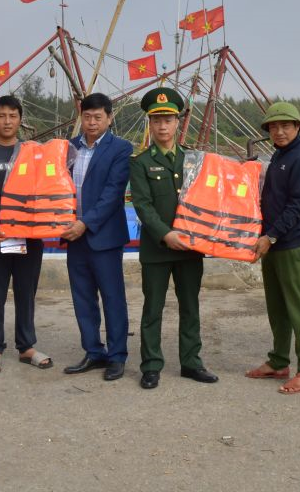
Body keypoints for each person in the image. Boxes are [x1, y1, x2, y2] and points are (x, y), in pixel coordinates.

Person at [130, 87, 218, 390]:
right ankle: (151, 365)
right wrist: (166, 234)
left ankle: (191, 363)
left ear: (178, 122)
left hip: (191, 248)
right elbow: (142, 205)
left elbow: (208, 201)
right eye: (156, 120)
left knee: (190, 306)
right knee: (152, 309)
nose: (162, 126)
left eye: (168, 120)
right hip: (157, 249)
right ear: (150, 124)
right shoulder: (140, 163)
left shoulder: (195, 161)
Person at [0, 95, 53, 374]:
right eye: (2, 116)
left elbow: (46, 192)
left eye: (13, 116)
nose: (7, 121)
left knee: (26, 293)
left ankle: (27, 347)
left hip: (29, 238)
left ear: (20, 120)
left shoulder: (33, 153)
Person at [245, 102, 300, 395]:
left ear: (298, 127)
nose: (279, 131)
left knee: (299, 309)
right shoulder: (280, 155)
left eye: (285, 126)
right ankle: (279, 361)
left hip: (292, 244)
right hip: (274, 244)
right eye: (273, 127)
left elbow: (299, 205)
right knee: (277, 308)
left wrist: (271, 236)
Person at [62, 92, 133, 382]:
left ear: (109, 117)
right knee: (82, 299)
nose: (91, 122)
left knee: (112, 298)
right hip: (72, 236)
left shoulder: (120, 149)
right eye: (87, 117)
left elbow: (112, 194)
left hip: (103, 236)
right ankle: (93, 351)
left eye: (98, 117)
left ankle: (117, 356)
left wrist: (84, 223)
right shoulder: (68, 148)